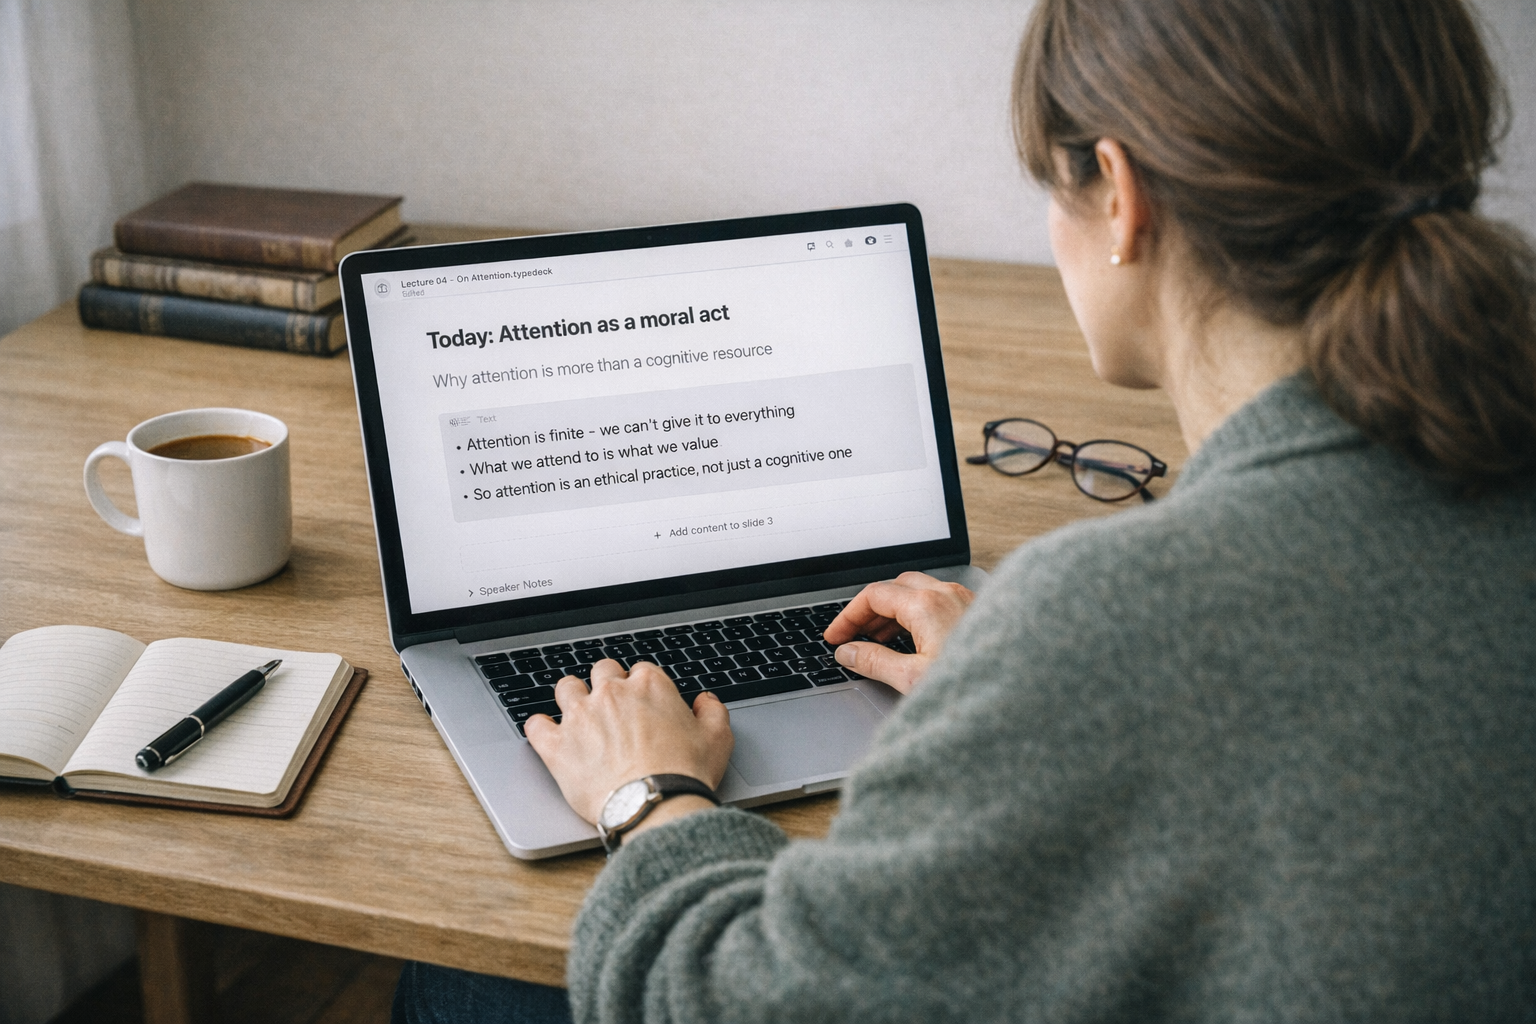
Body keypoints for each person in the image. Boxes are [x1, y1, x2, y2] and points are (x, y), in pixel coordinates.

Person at [394, 0, 1536, 1019]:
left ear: (1121, 196)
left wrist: (647, 792)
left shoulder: (1113, 613)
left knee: (449, 982)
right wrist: (1025, 704)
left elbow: (730, 995)